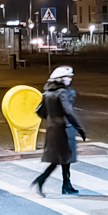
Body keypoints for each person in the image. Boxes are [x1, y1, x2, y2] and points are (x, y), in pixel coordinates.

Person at [32, 65, 86, 196]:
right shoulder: (62, 93)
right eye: (68, 77)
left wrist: (51, 119)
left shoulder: (47, 93)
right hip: (63, 129)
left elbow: (39, 111)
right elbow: (69, 112)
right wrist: (79, 128)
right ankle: (41, 180)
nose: (69, 79)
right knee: (59, 159)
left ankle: (66, 185)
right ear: (61, 79)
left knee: (64, 159)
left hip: (52, 129)